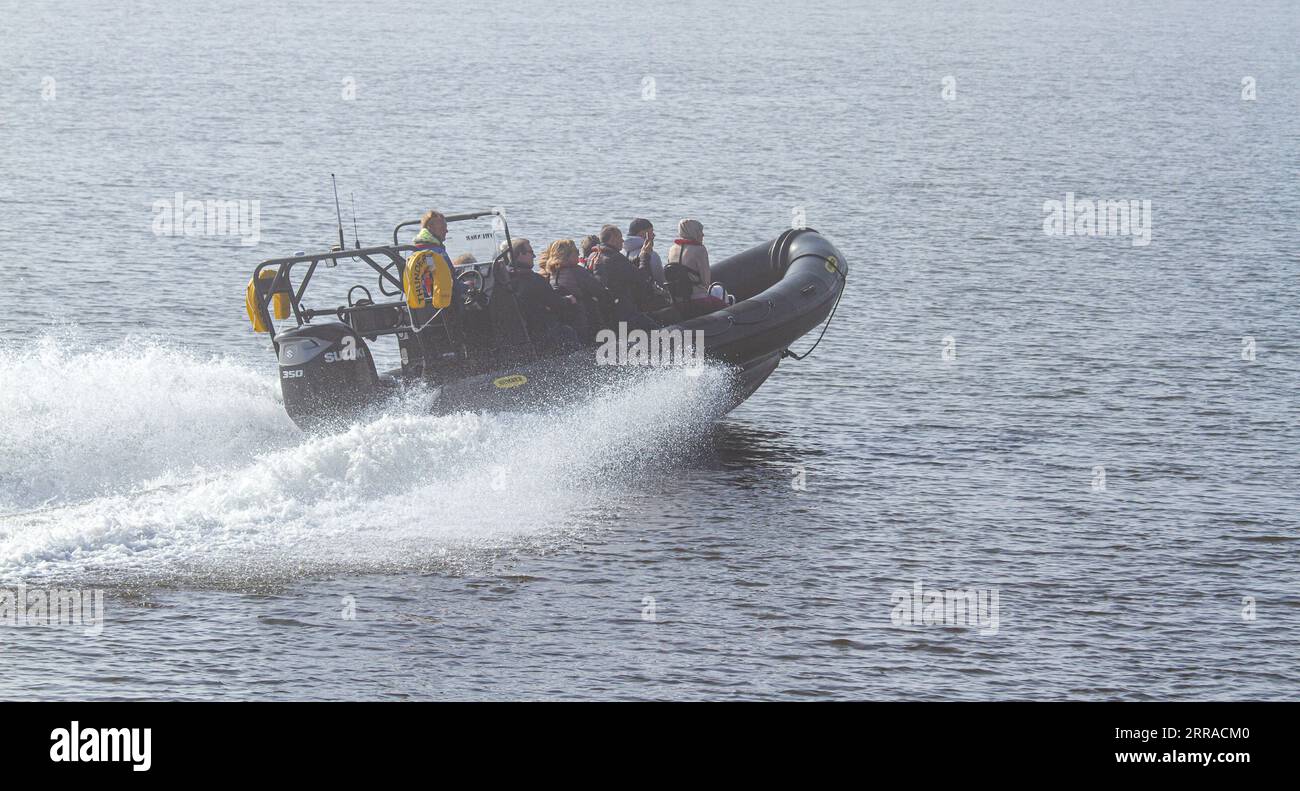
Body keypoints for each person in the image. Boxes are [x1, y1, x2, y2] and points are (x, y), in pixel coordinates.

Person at [506, 237, 578, 351]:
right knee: (568, 331)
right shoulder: (534, 280)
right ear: (520, 254)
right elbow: (556, 303)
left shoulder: (504, 279)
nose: (534, 256)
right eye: (531, 253)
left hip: (515, 331)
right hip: (539, 332)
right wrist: (569, 300)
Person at [545, 239, 616, 342]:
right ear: (567, 255)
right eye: (576, 251)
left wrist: (588, 271)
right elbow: (599, 290)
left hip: (568, 320)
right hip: (585, 321)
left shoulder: (553, 273)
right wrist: (598, 268)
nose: (579, 254)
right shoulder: (577, 271)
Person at [590, 224, 658, 327]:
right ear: (613, 239)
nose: (622, 241)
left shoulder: (594, 255)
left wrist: (640, 256)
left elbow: (627, 270)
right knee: (655, 329)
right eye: (620, 238)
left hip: (605, 311)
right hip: (623, 312)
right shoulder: (615, 258)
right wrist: (645, 256)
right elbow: (642, 278)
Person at [665, 218, 724, 318]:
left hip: (678, 301)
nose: (702, 235)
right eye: (700, 231)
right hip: (698, 299)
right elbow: (706, 282)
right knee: (724, 305)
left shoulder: (672, 249)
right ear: (693, 232)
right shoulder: (700, 250)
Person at [623, 218, 664, 285]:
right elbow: (661, 281)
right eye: (651, 232)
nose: (654, 235)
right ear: (642, 234)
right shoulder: (652, 255)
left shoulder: (621, 252)